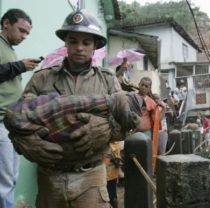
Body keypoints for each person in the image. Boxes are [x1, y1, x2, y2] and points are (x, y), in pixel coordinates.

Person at [5, 9, 124, 208]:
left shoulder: (108, 80)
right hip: (49, 179)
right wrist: (27, 143)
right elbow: (17, 120)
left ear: (95, 46)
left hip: (91, 177)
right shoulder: (41, 78)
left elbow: (127, 122)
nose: (79, 47)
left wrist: (107, 128)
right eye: (73, 41)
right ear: (66, 43)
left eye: (86, 43)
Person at [0, 8, 42, 208]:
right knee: (5, 181)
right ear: (6, 23)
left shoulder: (9, 48)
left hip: (11, 122)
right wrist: (19, 66)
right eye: (22, 30)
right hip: (0, 122)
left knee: (11, 176)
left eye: (27, 33)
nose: (24, 36)